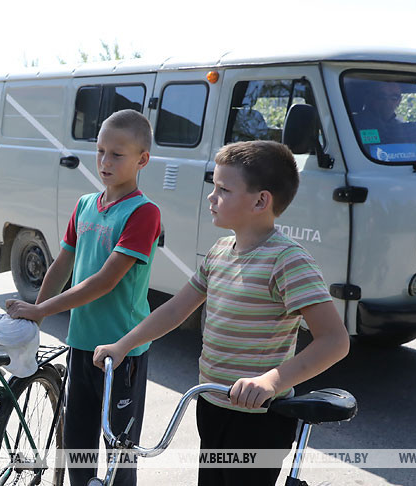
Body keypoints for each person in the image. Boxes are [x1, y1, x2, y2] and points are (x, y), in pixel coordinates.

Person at [93, 141, 350, 486]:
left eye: (223, 190)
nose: (211, 197)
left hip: (259, 417)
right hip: (211, 402)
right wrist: (123, 345)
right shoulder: (219, 252)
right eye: (213, 187)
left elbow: (334, 341)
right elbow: (176, 309)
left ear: (261, 201)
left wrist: (270, 382)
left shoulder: (288, 260)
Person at [5, 109, 161, 486]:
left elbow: (103, 281)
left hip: (122, 352)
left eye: (117, 155)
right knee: (78, 444)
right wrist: (35, 319)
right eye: (100, 151)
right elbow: (61, 266)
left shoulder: (143, 213)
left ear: (142, 160)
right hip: (81, 345)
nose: (105, 162)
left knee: (119, 451)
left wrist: (42, 306)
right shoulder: (85, 205)